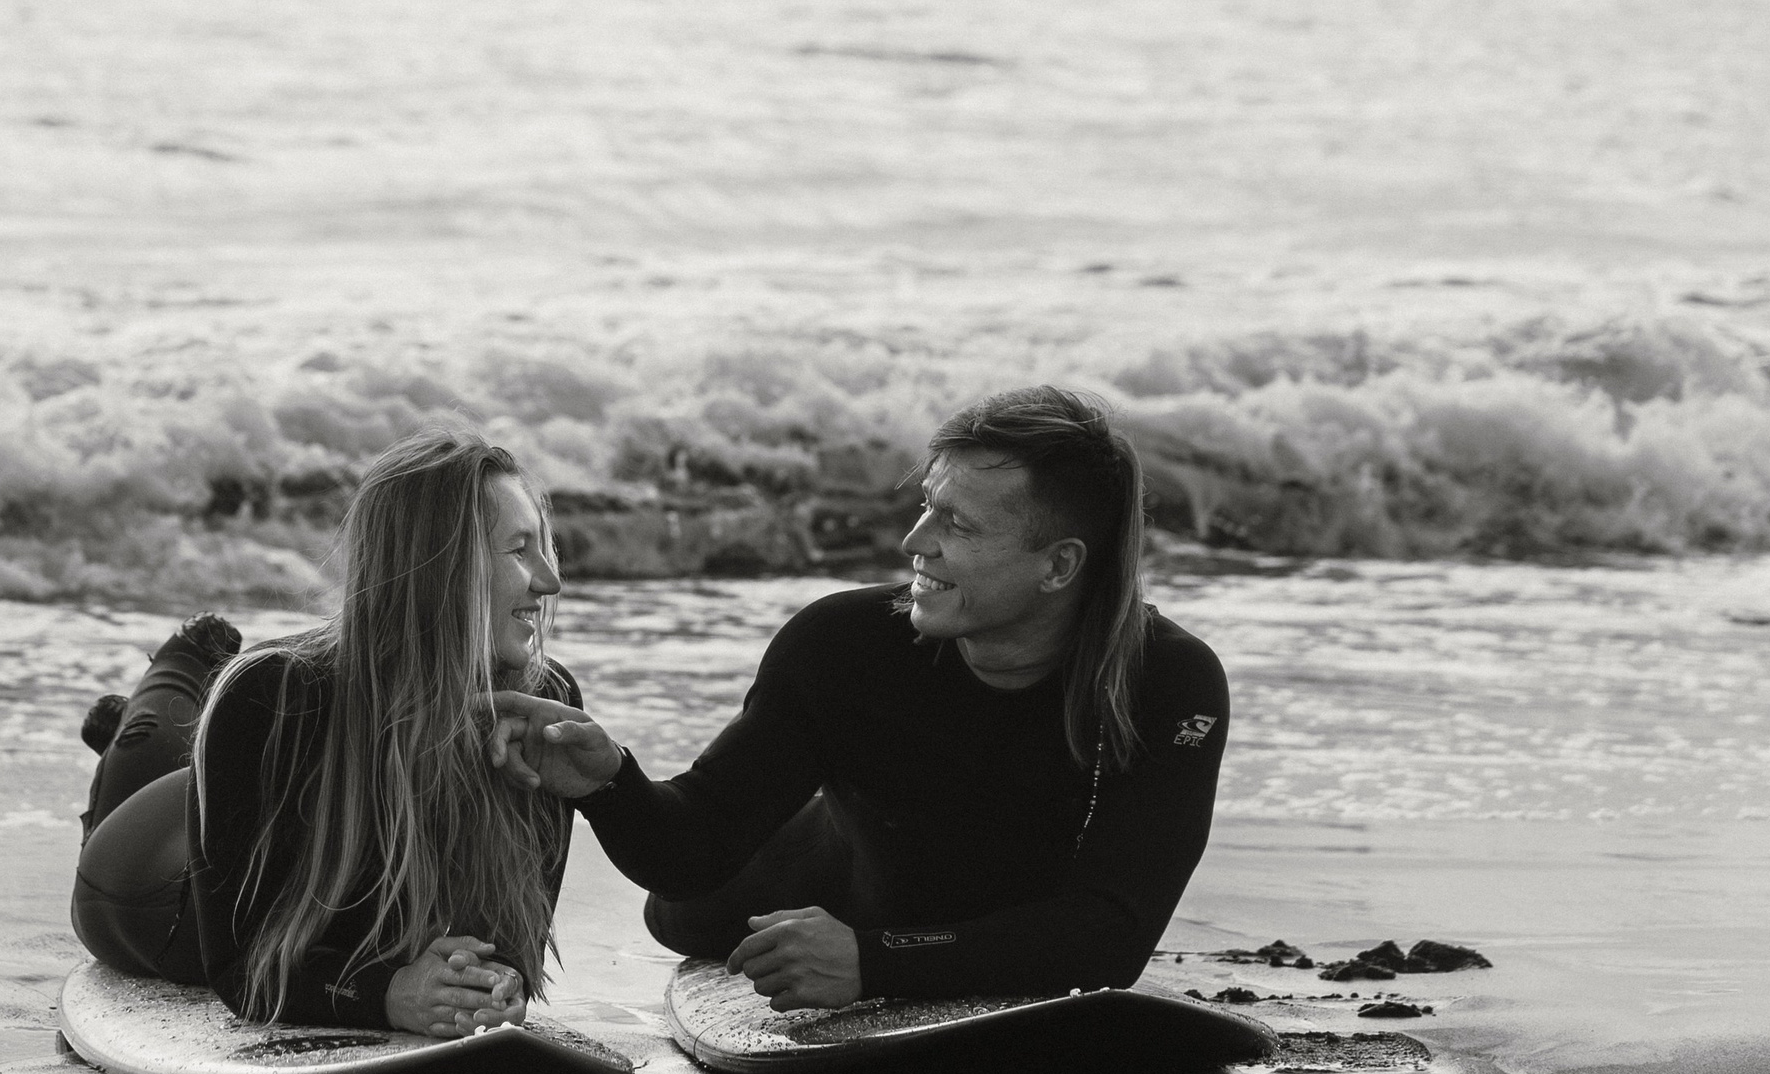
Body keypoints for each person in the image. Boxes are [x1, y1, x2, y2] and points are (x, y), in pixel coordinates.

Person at [489, 386, 1225, 1009]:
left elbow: (1112, 936)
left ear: (1058, 566)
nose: (915, 540)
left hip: (959, 922)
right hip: (822, 882)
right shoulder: (843, 646)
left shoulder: (1171, 683)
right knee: (680, 913)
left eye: (957, 525)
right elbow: (694, 849)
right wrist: (609, 782)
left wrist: (874, 962)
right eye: (928, 504)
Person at [70, 429, 578, 1039]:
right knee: (153, 742)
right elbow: (238, 967)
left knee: (191, 745)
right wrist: (385, 994)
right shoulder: (269, 697)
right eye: (520, 551)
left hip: (256, 789)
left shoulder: (546, 705)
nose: (549, 583)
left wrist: (495, 986)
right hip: (157, 891)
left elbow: (515, 943)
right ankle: (181, 661)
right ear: (439, 564)